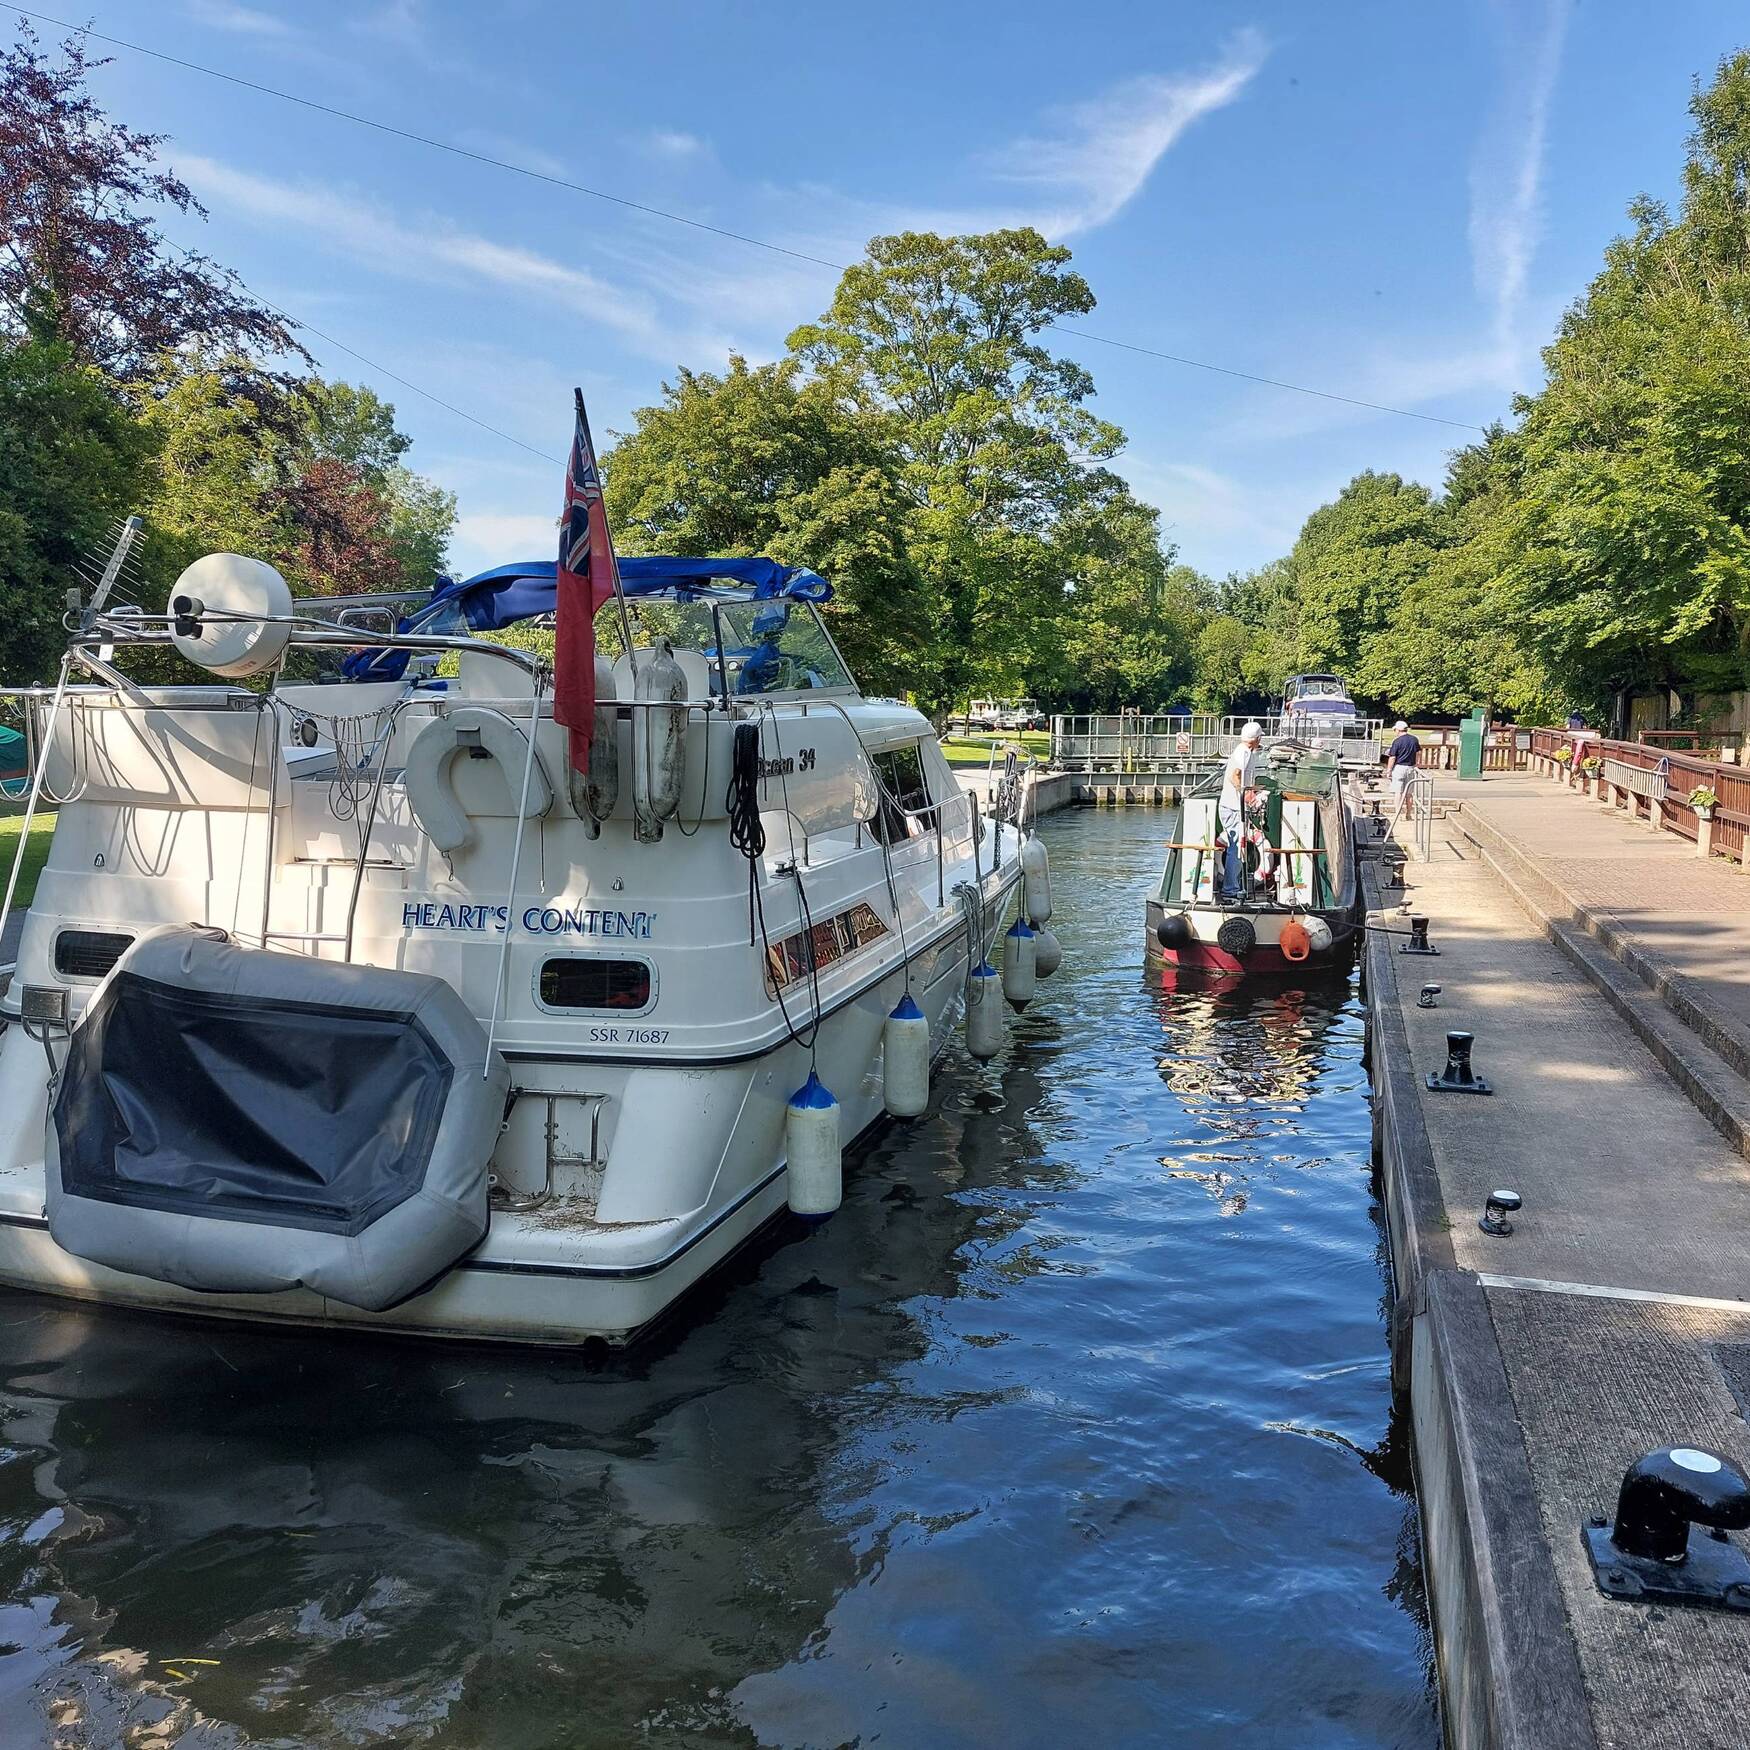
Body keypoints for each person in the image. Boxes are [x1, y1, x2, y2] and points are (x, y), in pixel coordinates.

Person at [1219, 720, 1264, 898]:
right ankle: (1230, 889)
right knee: (1236, 848)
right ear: (1257, 739)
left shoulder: (1244, 751)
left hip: (1234, 807)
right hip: (1233, 808)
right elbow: (1234, 776)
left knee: (1237, 848)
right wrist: (1247, 795)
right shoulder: (1243, 753)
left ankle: (1233, 886)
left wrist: (1253, 789)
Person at [1384, 719, 1421, 825]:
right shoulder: (1414, 739)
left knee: (1398, 792)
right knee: (1409, 793)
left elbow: (1392, 757)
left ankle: (1398, 814)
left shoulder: (1397, 741)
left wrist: (1389, 770)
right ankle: (1409, 814)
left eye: (1395, 730)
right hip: (1411, 767)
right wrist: (1416, 764)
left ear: (1399, 730)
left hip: (1399, 768)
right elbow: (1418, 752)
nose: (1395, 732)